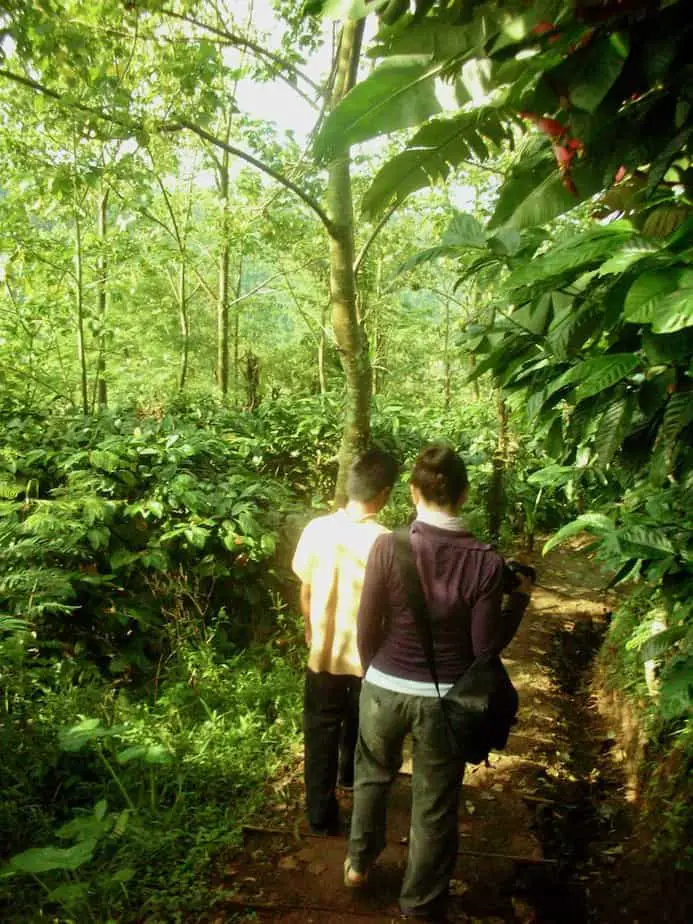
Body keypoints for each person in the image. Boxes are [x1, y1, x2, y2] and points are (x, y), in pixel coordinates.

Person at [344, 444, 533, 921]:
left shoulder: (388, 546)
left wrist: (375, 674)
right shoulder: (486, 563)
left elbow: (367, 626)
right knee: (433, 803)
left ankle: (359, 864)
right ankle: (420, 904)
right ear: (465, 494)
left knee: (371, 776)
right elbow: (484, 650)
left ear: (411, 492)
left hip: (384, 686)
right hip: (445, 700)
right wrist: (521, 602)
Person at [292, 447, 399, 835]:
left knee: (319, 730)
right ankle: (352, 781)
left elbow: (305, 589)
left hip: (322, 653)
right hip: (367, 660)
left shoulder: (316, 530)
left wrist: (310, 629)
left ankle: (320, 815)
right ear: (384, 493)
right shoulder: (386, 542)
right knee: (360, 725)